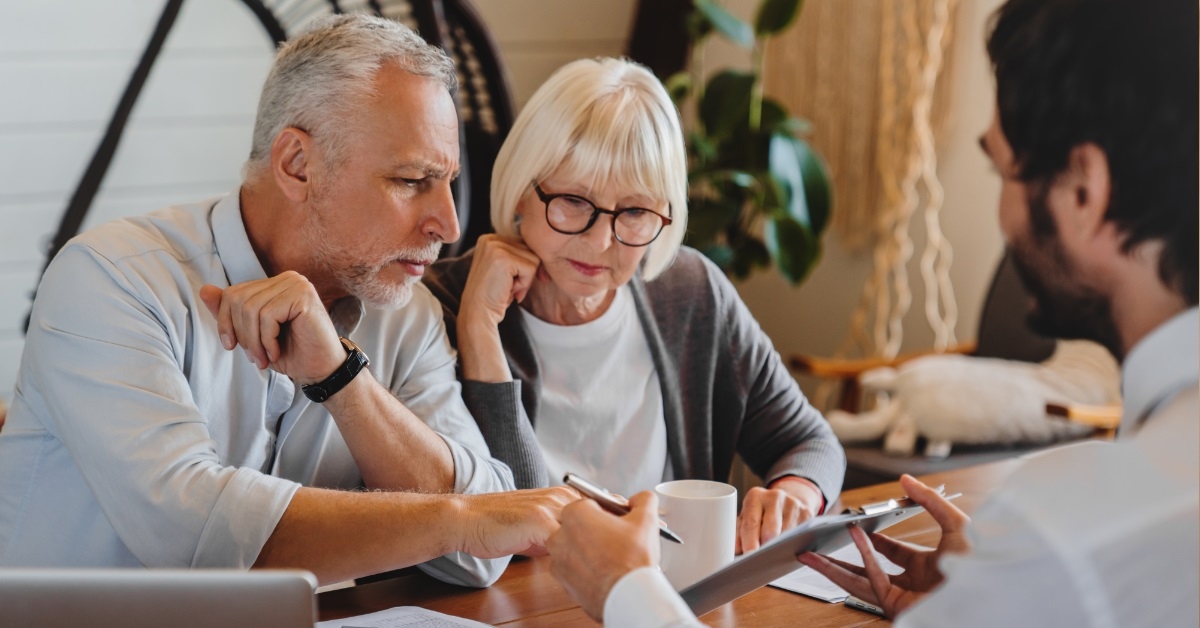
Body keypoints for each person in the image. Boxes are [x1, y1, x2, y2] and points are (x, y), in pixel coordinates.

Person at [545, 0, 1199, 625]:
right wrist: (989, 598)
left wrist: (628, 593)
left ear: (1085, 188)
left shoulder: (1071, 529)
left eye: (1003, 171)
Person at [0, 14, 576, 587]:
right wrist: (456, 519)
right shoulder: (109, 280)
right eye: (410, 180)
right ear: (297, 164)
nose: (448, 225)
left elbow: (482, 555)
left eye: (446, 181)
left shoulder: (408, 315)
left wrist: (343, 380)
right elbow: (193, 537)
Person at [422, 57, 845, 554]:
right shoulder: (441, 305)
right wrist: (478, 333)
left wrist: (795, 492)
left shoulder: (688, 291)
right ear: (520, 189)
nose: (601, 241)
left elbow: (810, 443)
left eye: (636, 211)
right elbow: (502, 521)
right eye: (575, 201)